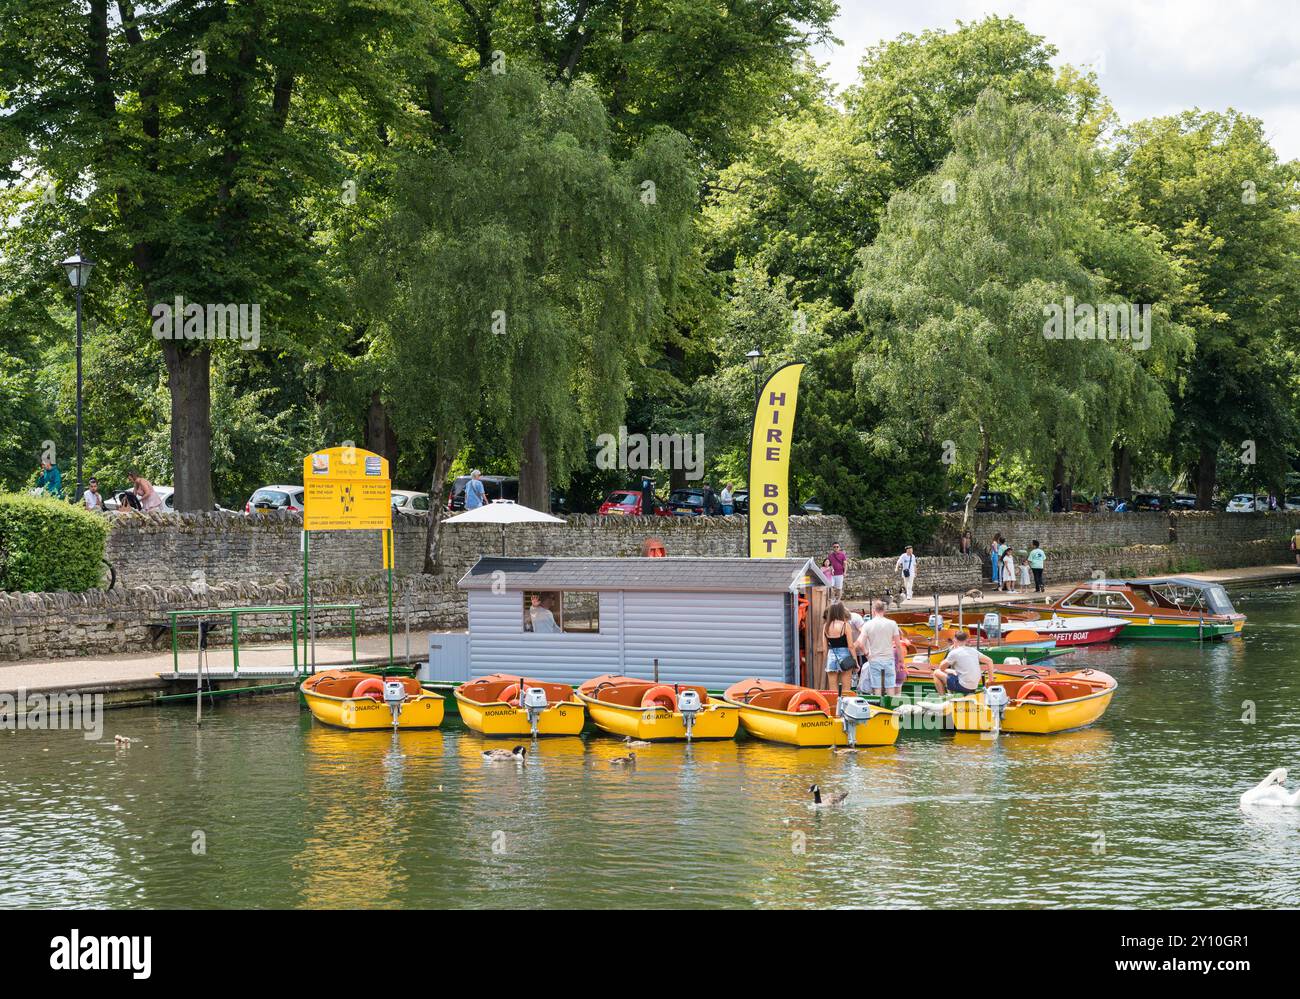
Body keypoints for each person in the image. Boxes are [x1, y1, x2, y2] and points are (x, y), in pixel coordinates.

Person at [856, 599, 905, 697]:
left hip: (874, 659)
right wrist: (900, 662)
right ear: (884, 610)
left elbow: (860, 643)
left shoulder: (867, 625)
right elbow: (898, 645)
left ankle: (879, 708)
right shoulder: (892, 624)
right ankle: (890, 709)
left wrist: (866, 654)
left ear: (873, 610)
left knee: (877, 687)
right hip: (888, 659)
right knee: (890, 686)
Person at [932, 630, 994, 695]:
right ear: (966, 640)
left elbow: (941, 668)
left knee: (936, 672)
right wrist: (990, 679)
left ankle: (942, 698)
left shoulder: (954, 652)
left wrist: (949, 670)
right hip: (974, 686)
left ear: (954, 640)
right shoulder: (973, 650)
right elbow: (990, 661)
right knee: (953, 673)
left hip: (963, 686)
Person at [823, 602, 857, 696]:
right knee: (846, 688)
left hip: (831, 655)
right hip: (845, 656)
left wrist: (827, 661)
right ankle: (845, 708)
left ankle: (835, 707)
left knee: (832, 688)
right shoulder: (845, 625)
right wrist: (855, 661)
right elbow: (851, 646)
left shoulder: (825, 626)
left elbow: (825, 648)